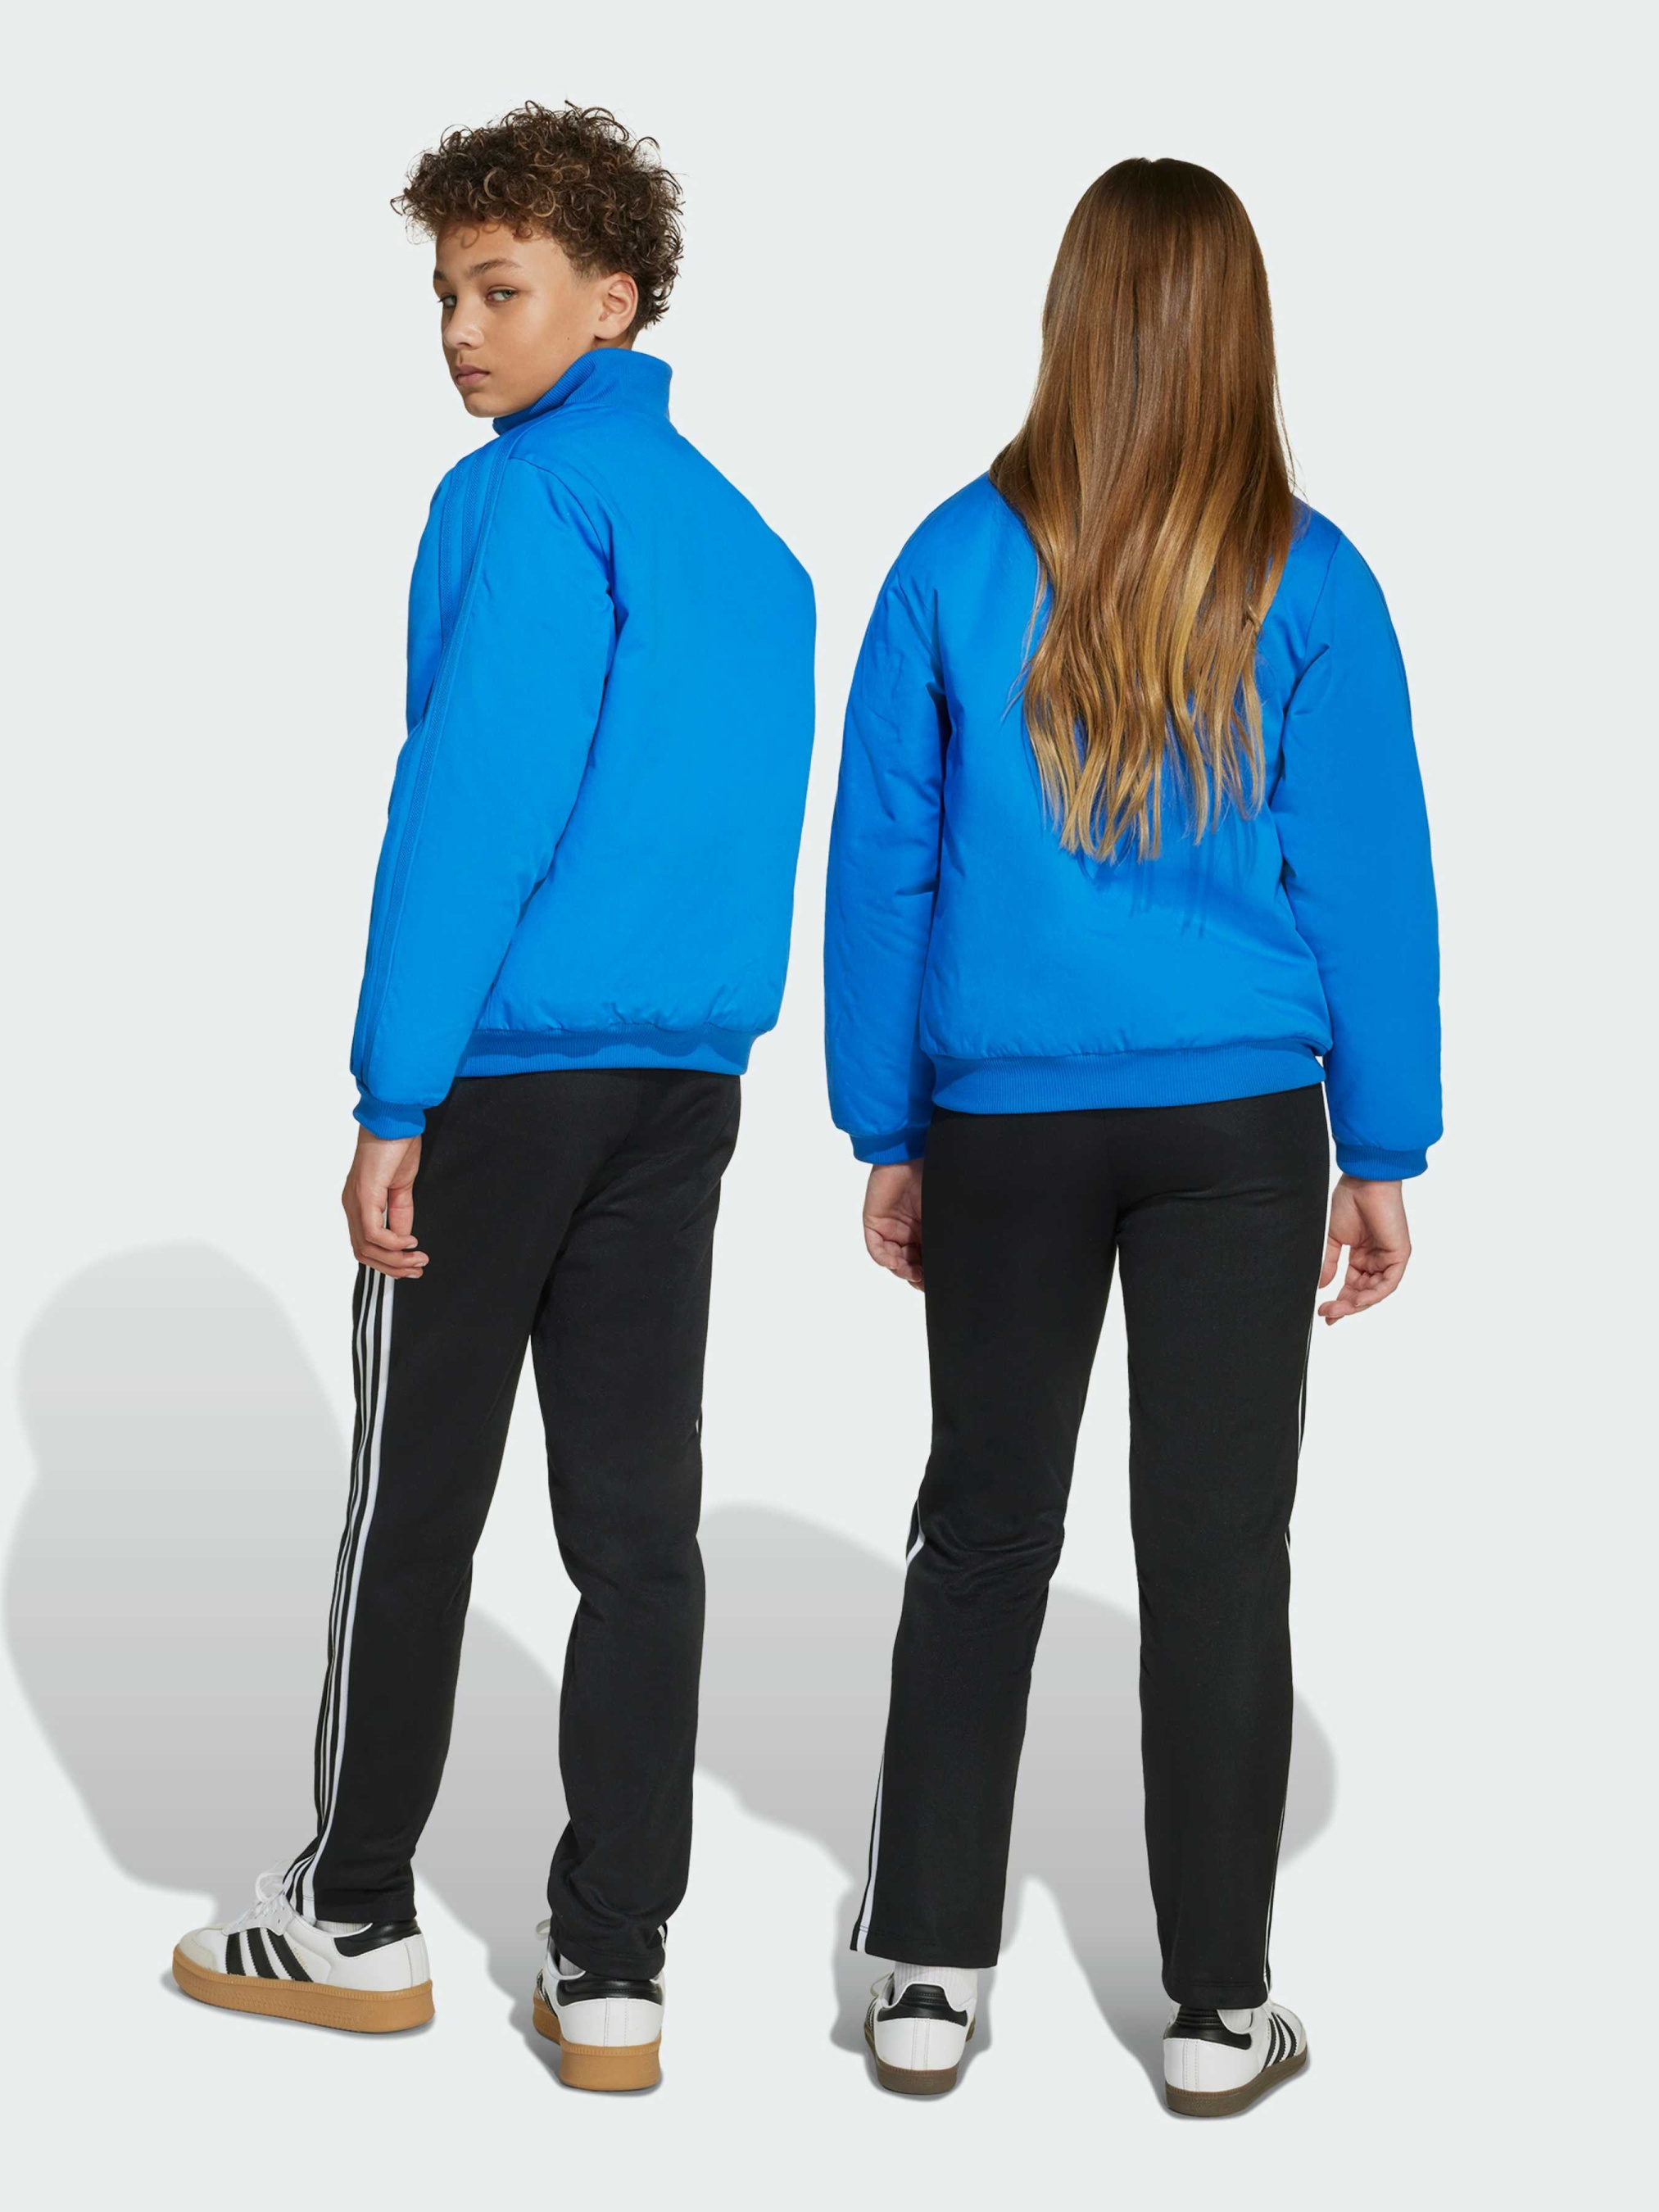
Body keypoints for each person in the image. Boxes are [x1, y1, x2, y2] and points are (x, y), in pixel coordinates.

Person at [171, 102, 816, 2091]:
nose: (459, 330)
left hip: (511, 1077)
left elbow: (470, 807)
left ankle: (354, 1913)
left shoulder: (523, 496)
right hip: (681, 1089)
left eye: (500, 288)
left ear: (611, 299)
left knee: (414, 1502)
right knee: (637, 1529)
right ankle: (611, 1968)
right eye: (444, 292)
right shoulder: (755, 546)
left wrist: (398, 1095)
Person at [825, 157, 1438, 2112]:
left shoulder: (947, 557)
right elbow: (1365, 881)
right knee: (1217, 1552)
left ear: (1067, 314)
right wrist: (1381, 1148)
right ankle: (1215, 2009)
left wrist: (885, 1121)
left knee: (980, 1530)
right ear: (1235, 328)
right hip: (1235, 1128)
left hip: (1002, 1119)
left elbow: (884, 868)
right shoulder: (1310, 576)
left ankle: (925, 1975)